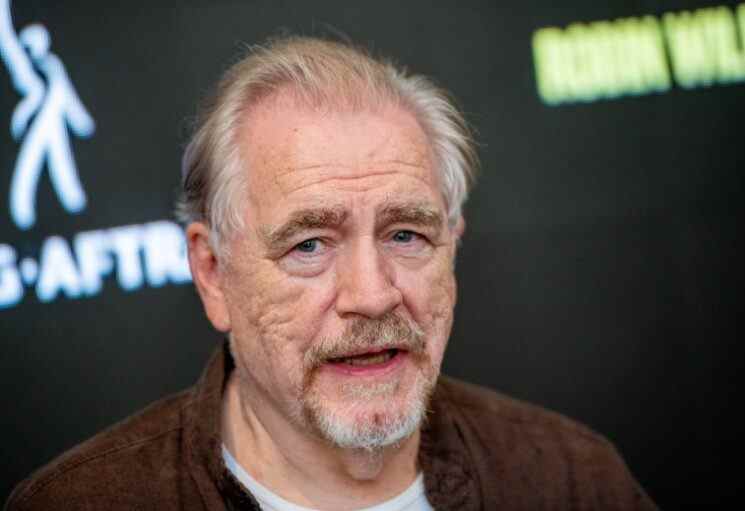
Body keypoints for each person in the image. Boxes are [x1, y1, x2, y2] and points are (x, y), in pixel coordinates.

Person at [5, 36, 658, 510]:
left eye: (406, 234)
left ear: (452, 246)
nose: (372, 296)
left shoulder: (570, 480)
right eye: (310, 245)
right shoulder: (87, 501)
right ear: (212, 272)